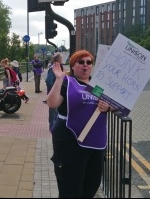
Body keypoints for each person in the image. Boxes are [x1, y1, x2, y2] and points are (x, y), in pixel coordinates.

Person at [47, 49, 115, 198]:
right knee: (70, 187)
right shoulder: (67, 82)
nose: (85, 65)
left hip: (95, 142)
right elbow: (52, 103)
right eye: (81, 62)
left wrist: (108, 107)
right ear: (73, 65)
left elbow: (114, 105)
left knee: (91, 184)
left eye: (89, 62)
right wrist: (58, 79)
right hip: (70, 140)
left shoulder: (97, 87)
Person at [45, 52, 64, 130]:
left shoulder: (58, 67)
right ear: (59, 59)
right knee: (53, 110)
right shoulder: (54, 68)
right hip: (54, 94)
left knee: (56, 110)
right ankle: (52, 126)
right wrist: (56, 88)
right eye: (61, 58)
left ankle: (54, 125)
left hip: (57, 93)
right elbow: (48, 81)